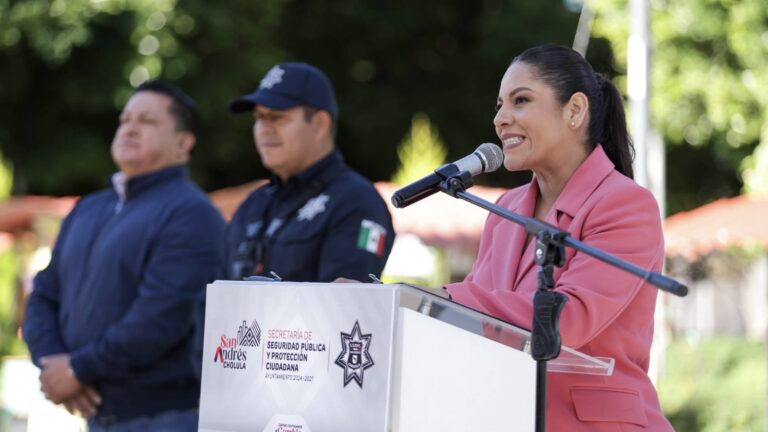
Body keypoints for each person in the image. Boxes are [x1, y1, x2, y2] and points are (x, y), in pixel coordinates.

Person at [443, 44, 674, 431]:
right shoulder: (506, 210)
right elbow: (479, 311)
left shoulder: (626, 206)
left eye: (521, 100)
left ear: (575, 110)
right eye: (499, 105)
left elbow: (569, 320)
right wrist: (394, 302)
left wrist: (445, 298)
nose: (501, 119)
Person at [23, 80, 226, 431]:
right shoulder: (88, 208)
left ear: (183, 143)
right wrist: (52, 364)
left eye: (147, 121)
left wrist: (78, 369)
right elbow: (43, 295)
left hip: (162, 418)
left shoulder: (191, 212)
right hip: (97, 415)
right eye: (125, 119)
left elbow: (161, 317)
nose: (130, 127)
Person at [226, 62, 394, 282]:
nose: (264, 129)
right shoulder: (254, 203)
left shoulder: (356, 201)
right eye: (259, 117)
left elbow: (344, 307)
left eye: (277, 117)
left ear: (320, 124)